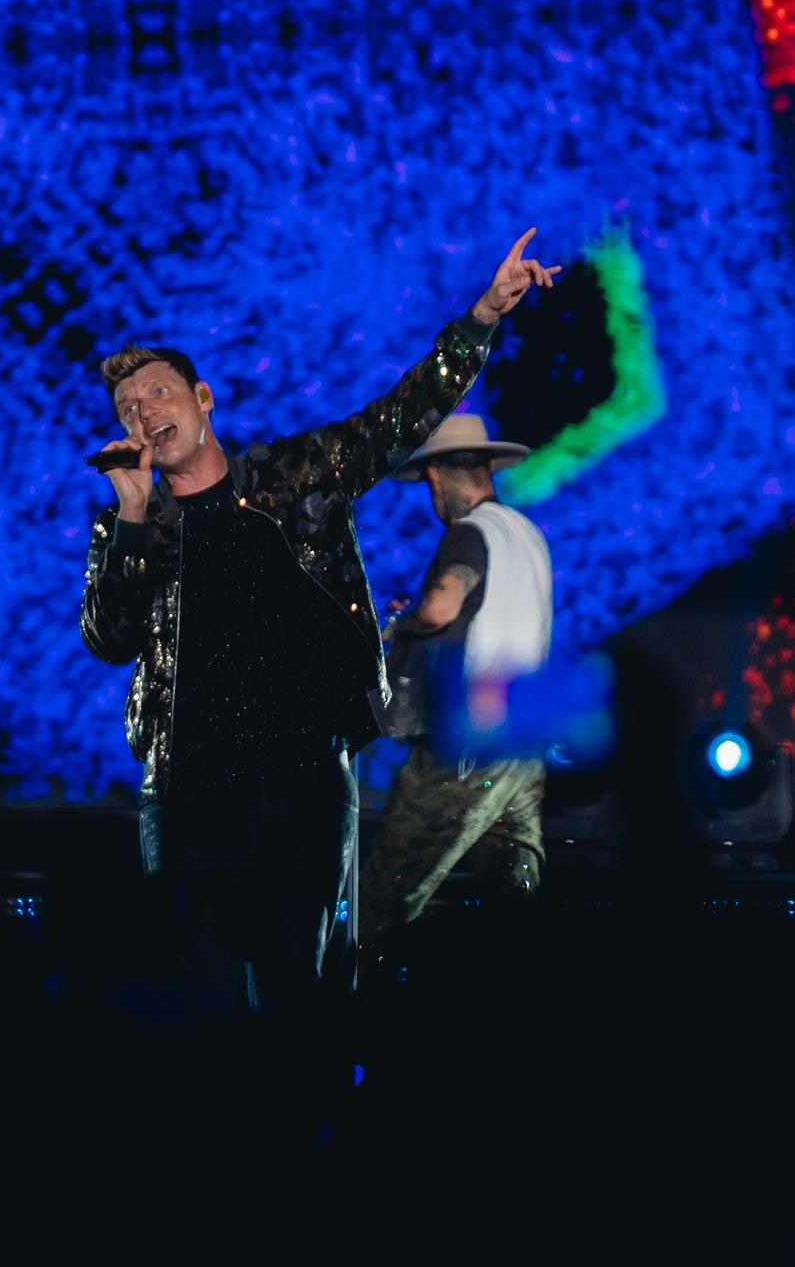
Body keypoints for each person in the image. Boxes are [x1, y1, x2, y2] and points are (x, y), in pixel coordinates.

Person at [81, 232, 558, 1009]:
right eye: (128, 408)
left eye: (159, 393)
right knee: (199, 999)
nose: (144, 412)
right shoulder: (132, 526)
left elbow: (400, 418)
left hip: (299, 777)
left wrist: (481, 317)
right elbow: (109, 638)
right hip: (187, 788)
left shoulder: (294, 475)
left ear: (203, 399)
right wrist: (132, 516)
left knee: (296, 995)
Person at [361, 412, 551, 939]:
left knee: (388, 891)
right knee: (512, 891)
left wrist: (400, 623)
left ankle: (352, 987)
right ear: (487, 467)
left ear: (435, 476)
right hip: (523, 739)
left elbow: (441, 607)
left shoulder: (470, 532)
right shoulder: (527, 534)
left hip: (469, 742)